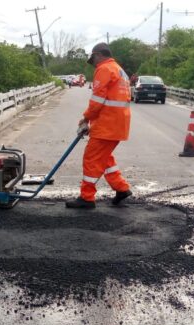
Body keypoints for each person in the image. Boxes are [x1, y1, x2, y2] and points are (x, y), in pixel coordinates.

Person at [66, 43, 133, 209]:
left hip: (107, 125)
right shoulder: (119, 70)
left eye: (93, 59)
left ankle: (87, 198)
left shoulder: (104, 69)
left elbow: (97, 100)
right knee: (105, 158)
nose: (94, 63)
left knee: (91, 158)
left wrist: (86, 119)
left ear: (98, 55)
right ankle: (121, 188)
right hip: (117, 124)